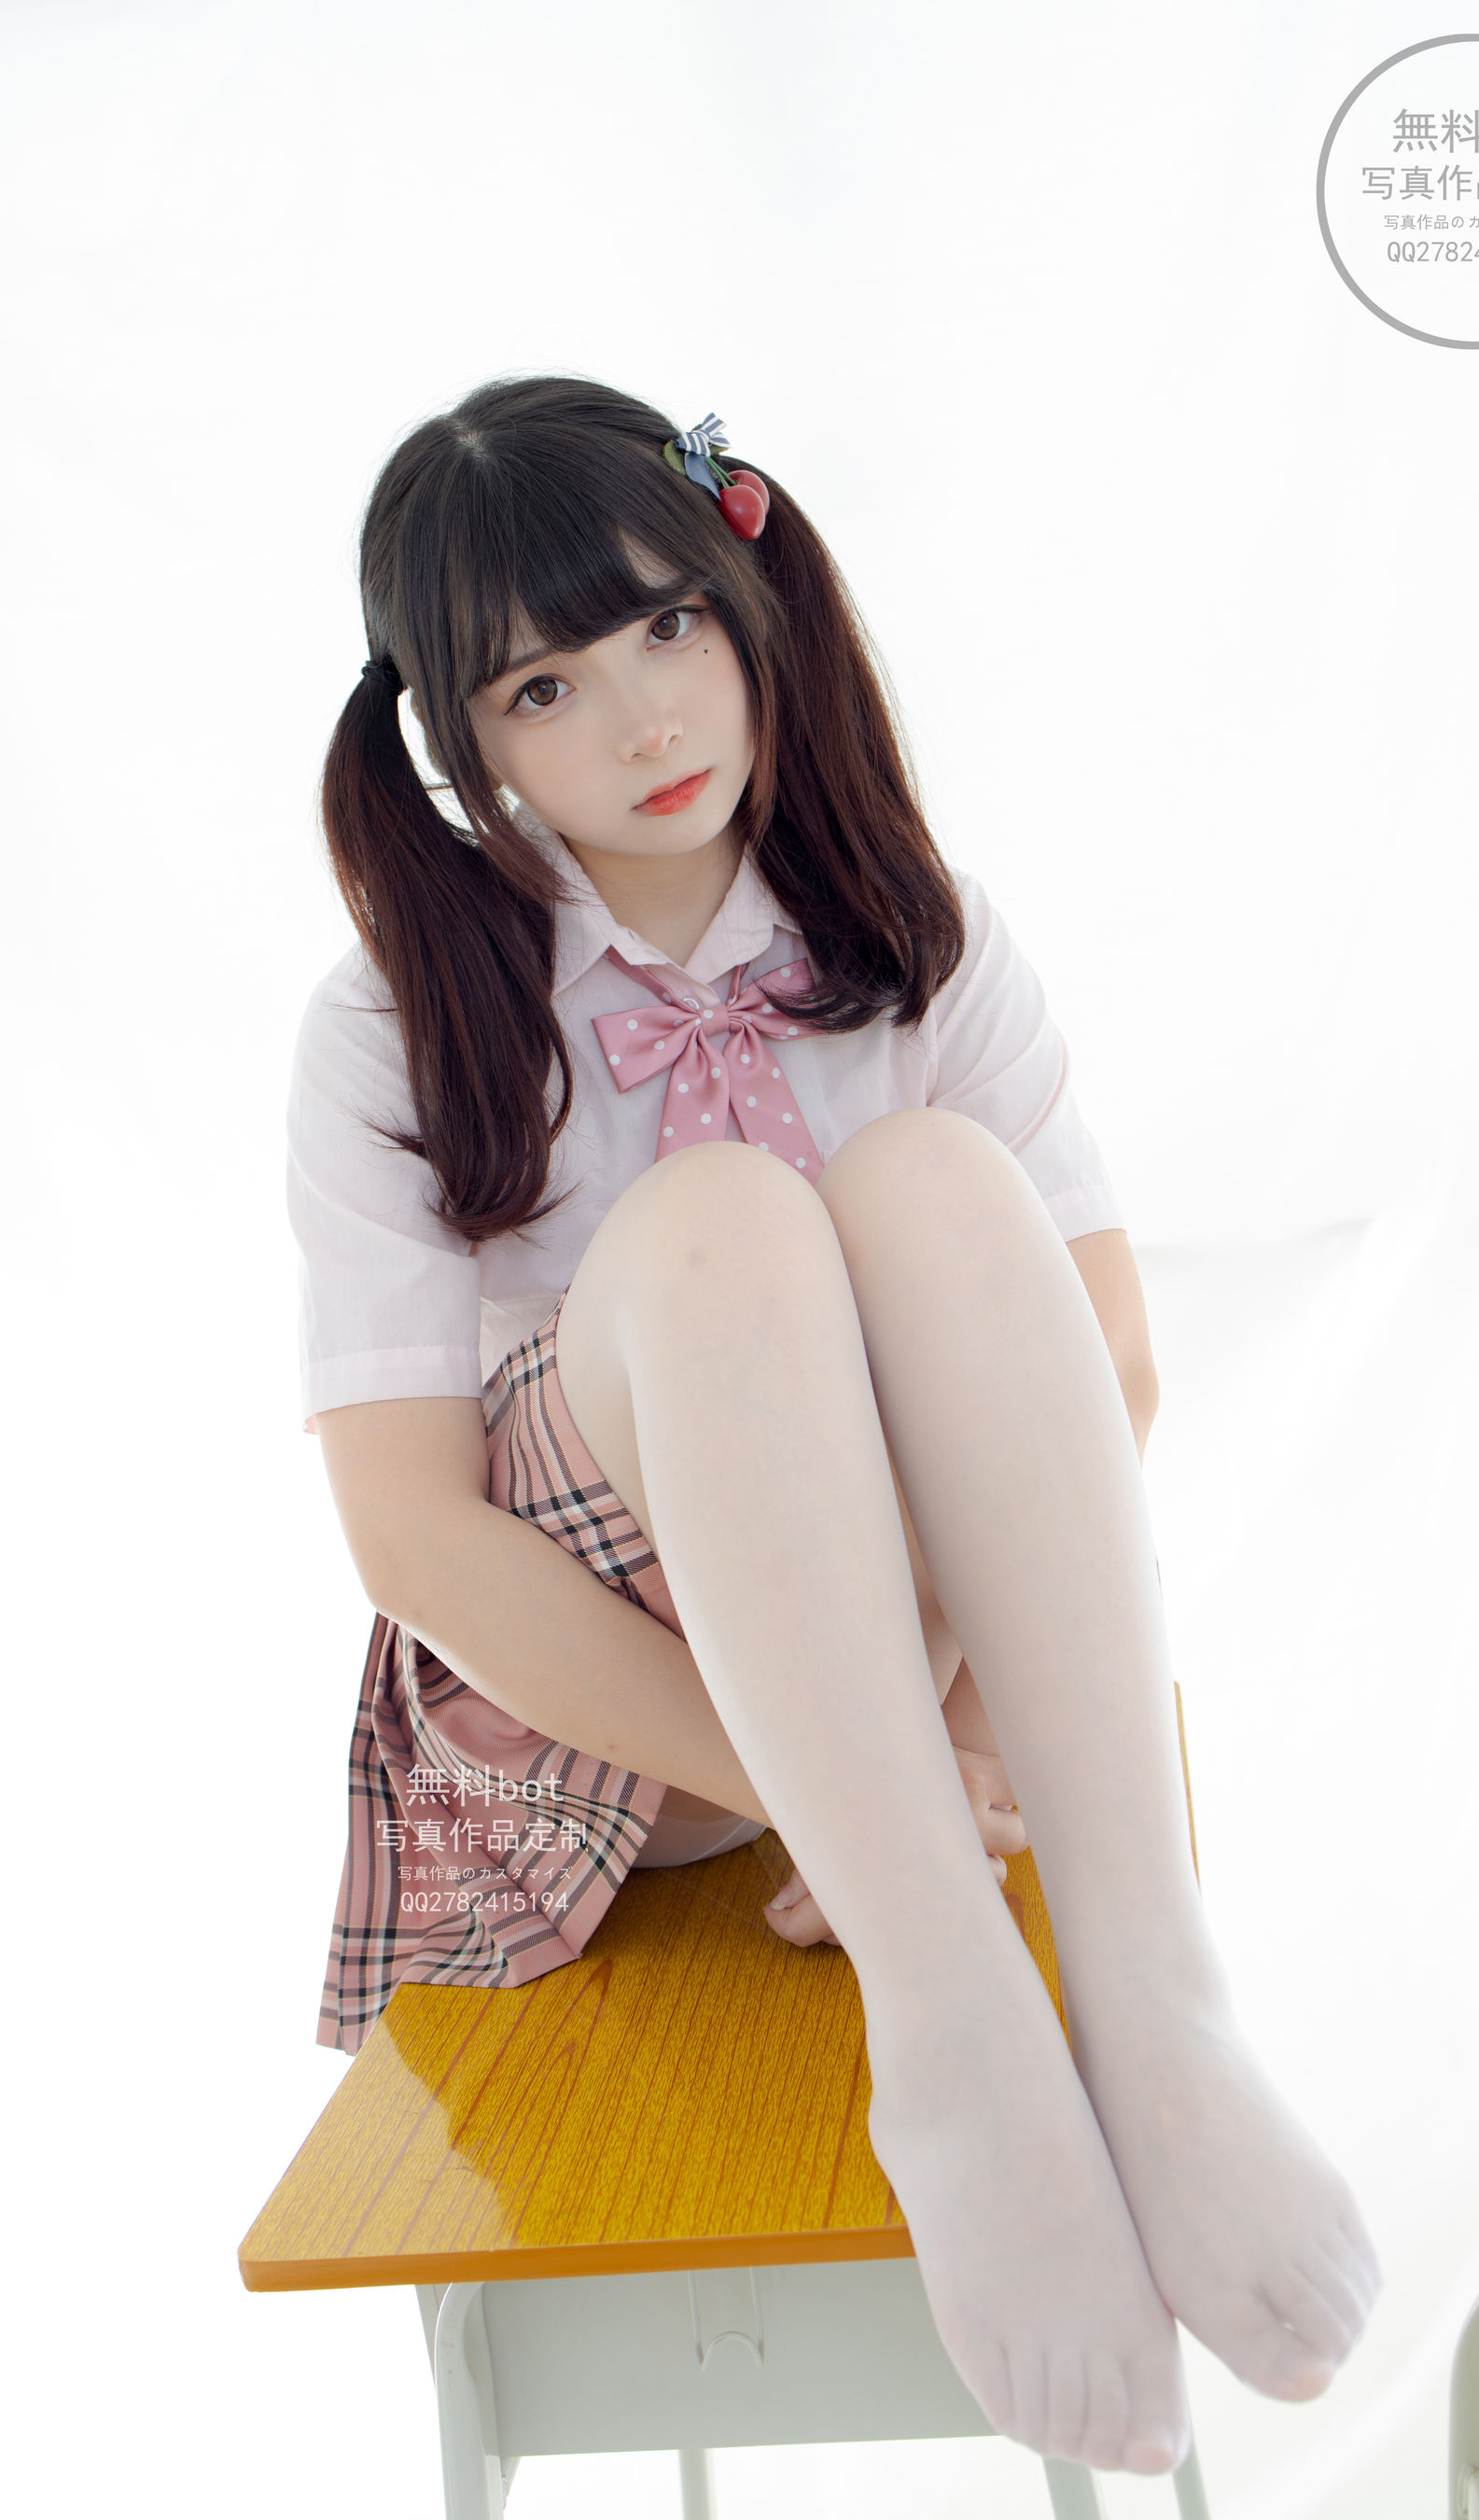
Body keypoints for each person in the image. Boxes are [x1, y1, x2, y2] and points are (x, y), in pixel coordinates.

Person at [288, 374, 1381, 2474]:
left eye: (668, 626)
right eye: (544, 688)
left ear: (749, 597)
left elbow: (1106, 1359)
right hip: (614, 1745)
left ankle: (1156, 1996)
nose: (644, 720)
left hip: (917, 1650)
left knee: (939, 1185)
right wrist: (851, 1798)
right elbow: (412, 1536)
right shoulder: (388, 1027)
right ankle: (952, 2030)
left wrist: (952, 1713)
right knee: (719, 1227)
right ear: (466, 743)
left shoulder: (909, 928)